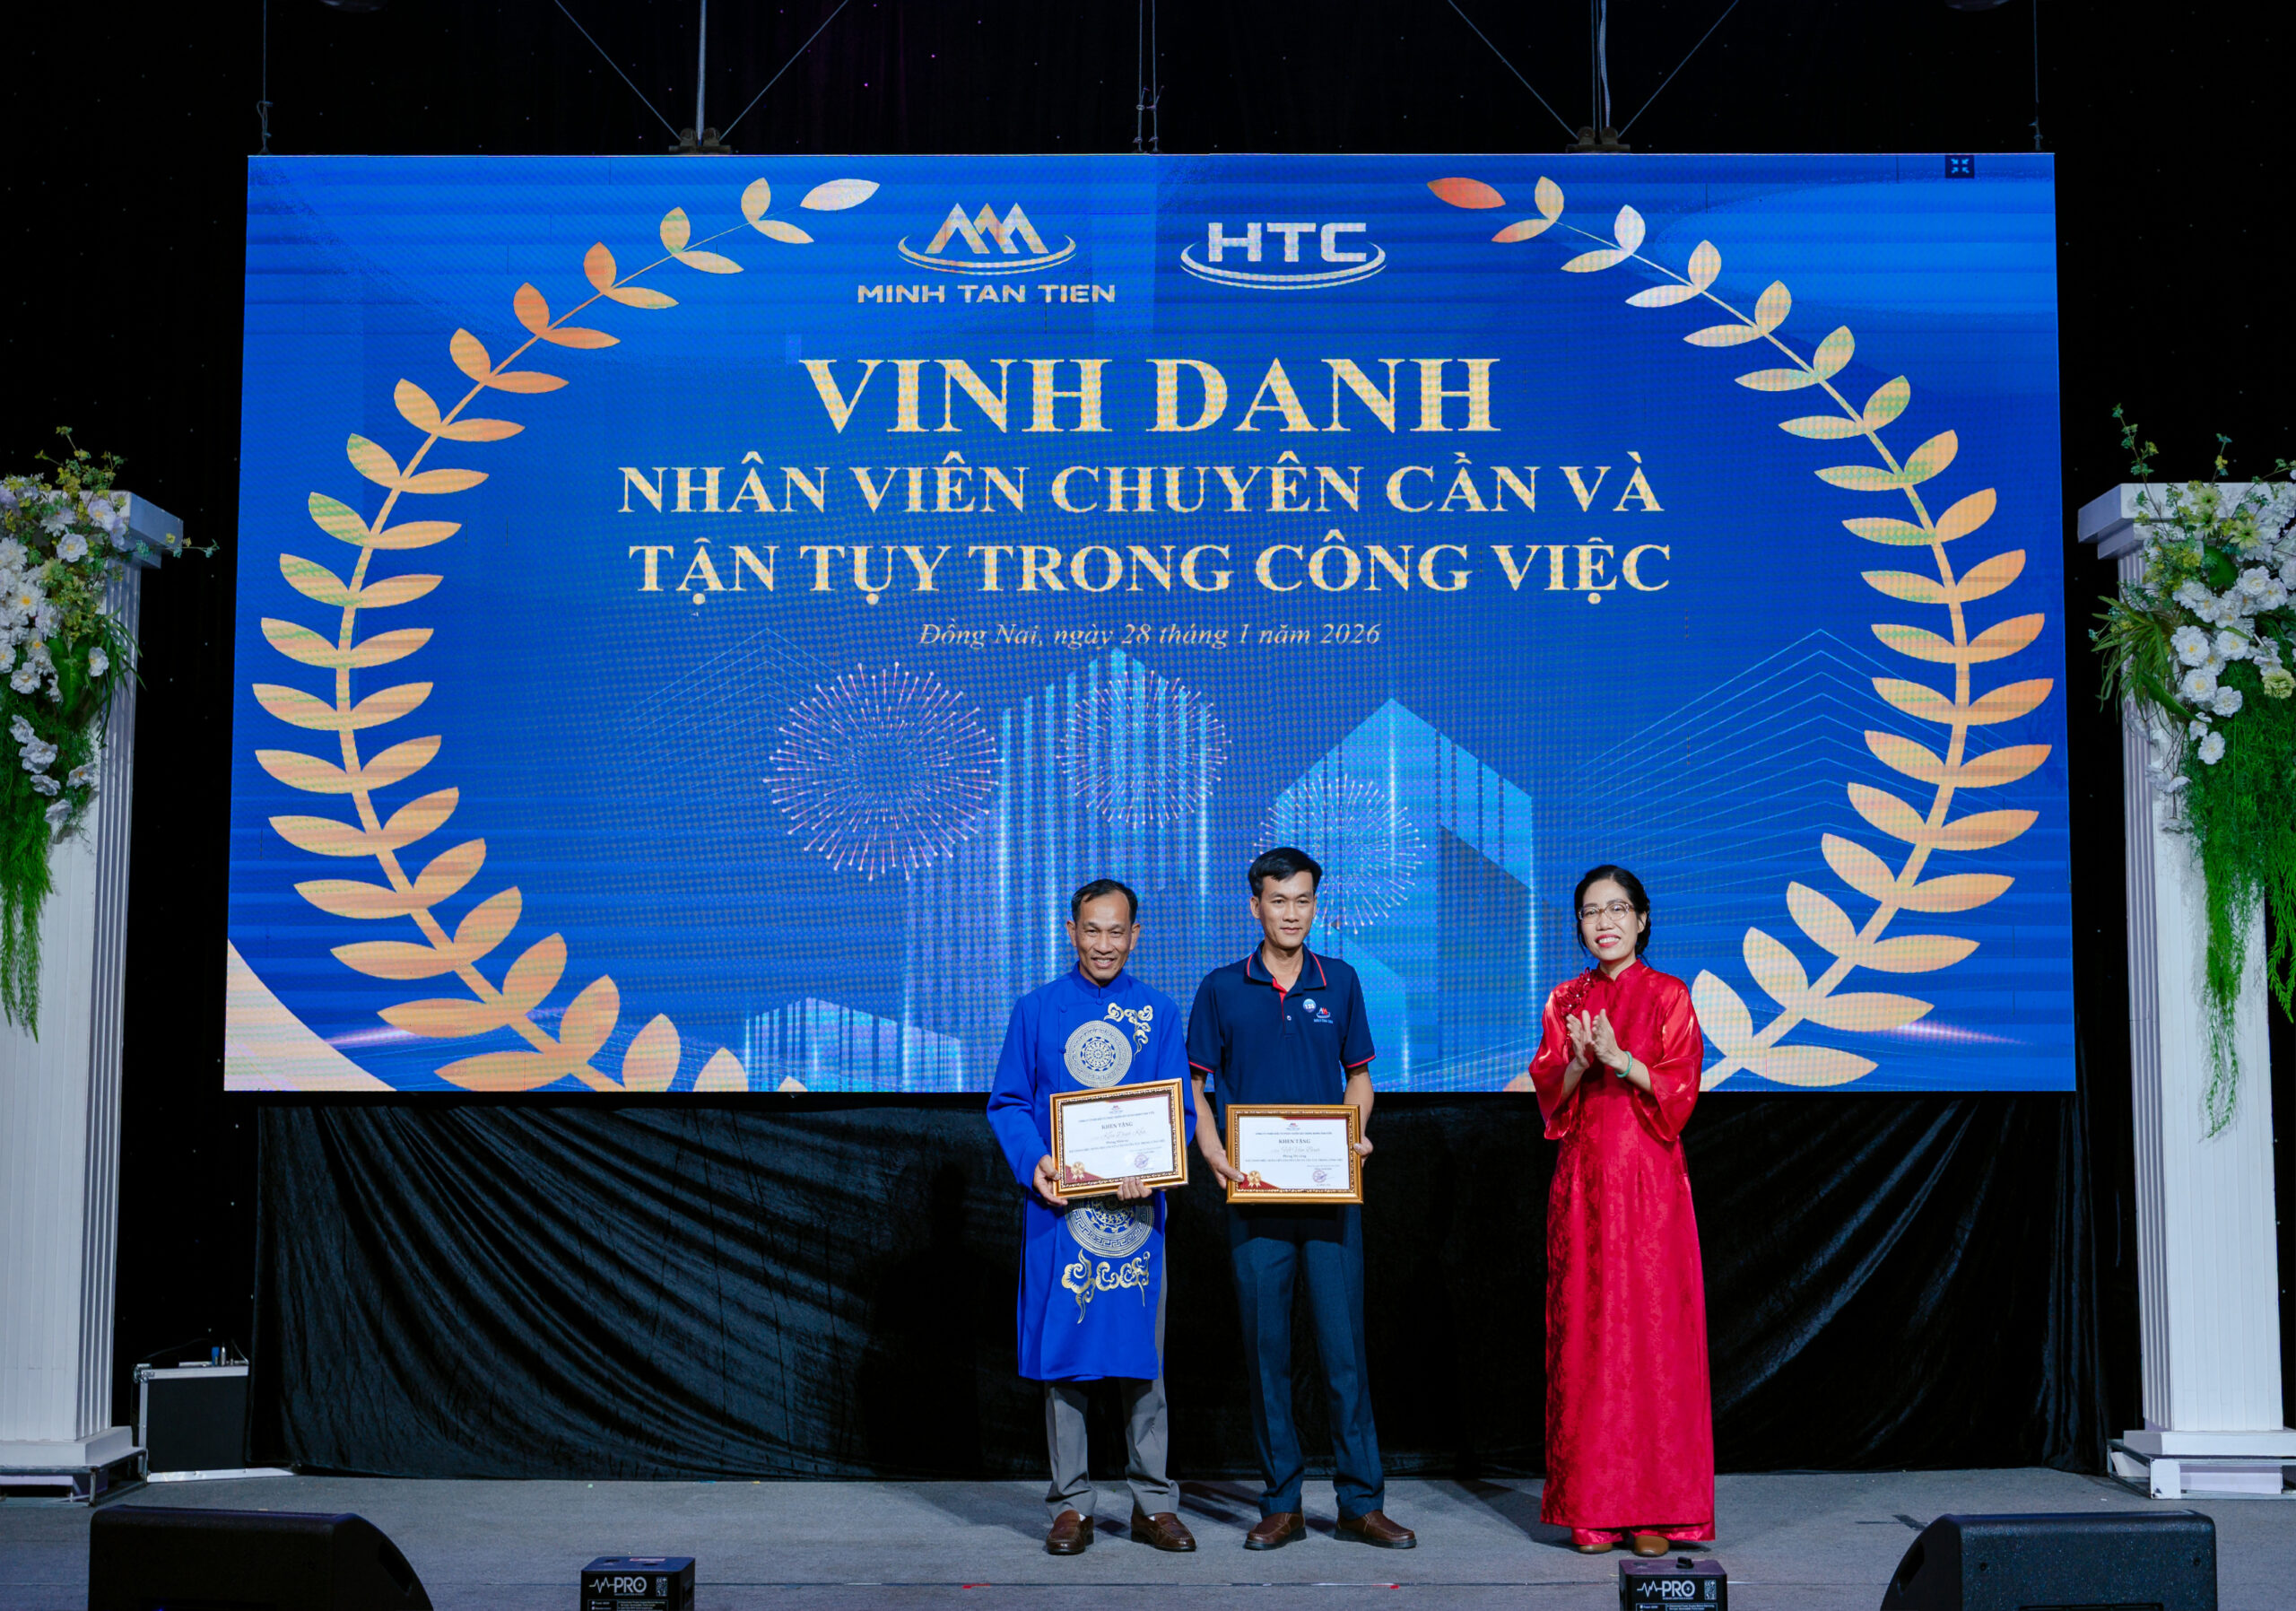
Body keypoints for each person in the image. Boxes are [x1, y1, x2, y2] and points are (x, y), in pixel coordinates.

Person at [1185, 847, 1415, 1551]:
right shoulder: (1221, 987)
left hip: (1330, 1197)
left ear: (1317, 905)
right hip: (1254, 1198)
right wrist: (1213, 1152)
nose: (1292, 913)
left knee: (1344, 1353)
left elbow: (1360, 1079)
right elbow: (1197, 1088)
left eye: (1304, 900)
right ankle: (1281, 1502)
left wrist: (1355, 1134)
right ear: (1254, 905)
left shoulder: (1339, 980)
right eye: (1278, 900)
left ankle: (1360, 1502)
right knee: (1268, 1354)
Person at [986, 878, 1199, 1557]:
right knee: (1065, 1363)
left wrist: (1156, 1163)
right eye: (1092, 930)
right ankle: (1071, 1504)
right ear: (1071, 932)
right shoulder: (1036, 1010)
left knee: (1143, 1364)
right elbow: (1008, 1102)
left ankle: (1153, 1504)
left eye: (1116, 931)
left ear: (1135, 936)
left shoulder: (1159, 1012)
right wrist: (1036, 1163)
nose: (1103, 944)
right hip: (1060, 1214)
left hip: (1135, 1217)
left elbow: (1180, 1109)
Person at [1518, 865, 1714, 1557]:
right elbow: (1551, 1093)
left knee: (1656, 1339)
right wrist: (1579, 1060)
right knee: (1589, 1338)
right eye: (1591, 911)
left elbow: (1681, 1091)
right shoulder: (1565, 999)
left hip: (1652, 1186)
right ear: (1578, 925)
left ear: (1642, 919)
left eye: (1617, 909)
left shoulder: (1669, 995)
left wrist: (1620, 1058)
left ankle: (1656, 1511)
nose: (1605, 922)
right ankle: (1593, 1509)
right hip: (1584, 1186)